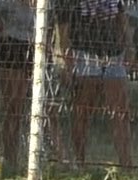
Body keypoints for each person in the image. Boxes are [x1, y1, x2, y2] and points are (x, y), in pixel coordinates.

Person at [56, 0, 134, 168]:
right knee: (82, 111)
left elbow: (121, 19)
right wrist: (68, 64)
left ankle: (126, 164)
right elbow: (63, 31)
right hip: (84, 54)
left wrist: (129, 48)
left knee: (121, 112)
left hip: (114, 54)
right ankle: (81, 162)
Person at [0, 0, 36, 170]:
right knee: (11, 107)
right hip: (11, 49)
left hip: (30, 51)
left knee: (18, 109)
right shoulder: (7, 3)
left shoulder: (40, 5)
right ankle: (4, 157)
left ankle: (14, 157)